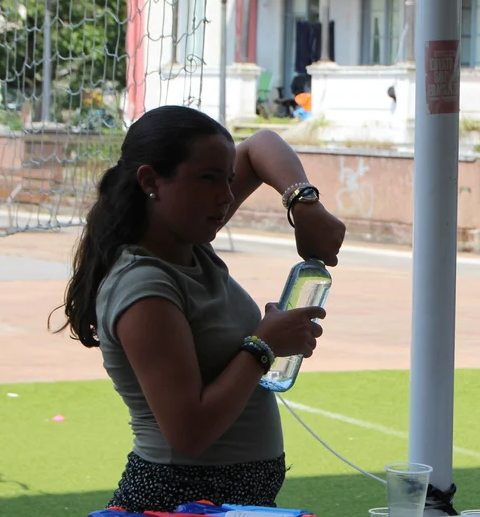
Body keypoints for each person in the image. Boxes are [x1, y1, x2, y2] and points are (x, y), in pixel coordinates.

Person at [50, 105, 346, 512]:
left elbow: (260, 145)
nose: (226, 196)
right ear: (151, 181)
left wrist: (303, 203)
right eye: (208, 178)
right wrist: (264, 345)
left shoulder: (186, 245)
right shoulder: (145, 287)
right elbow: (188, 432)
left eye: (228, 179)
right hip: (178, 500)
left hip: (221, 499)